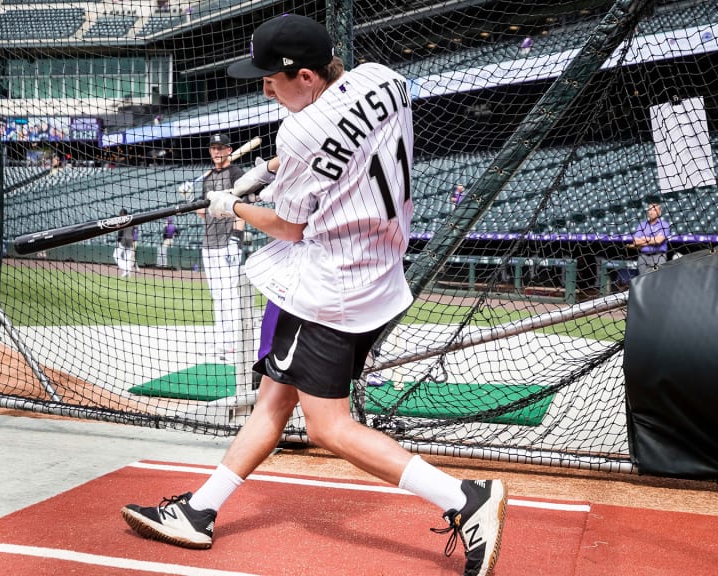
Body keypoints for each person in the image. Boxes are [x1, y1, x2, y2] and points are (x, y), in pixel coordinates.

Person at [121, 14, 507, 576]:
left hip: (329, 289)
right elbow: (345, 142)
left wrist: (232, 205)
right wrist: (272, 168)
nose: (265, 88)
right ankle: (200, 510)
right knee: (275, 397)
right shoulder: (384, 79)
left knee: (327, 427)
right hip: (380, 274)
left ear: (304, 76)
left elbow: (288, 226)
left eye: (271, 80)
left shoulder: (299, 131)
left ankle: (464, 500)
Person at [197, 133, 246, 360]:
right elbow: (203, 213)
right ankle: (222, 342)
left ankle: (235, 345)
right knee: (217, 296)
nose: (217, 152)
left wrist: (237, 237)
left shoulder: (236, 174)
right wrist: (191, 200)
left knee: (230, 296)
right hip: (209, 244)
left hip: (228, 243)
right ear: (210, 151)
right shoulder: (207, 179)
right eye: (213, 148)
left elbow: (242, 207)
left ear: (229, 150)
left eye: (221, 148)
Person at [627, 202, 670, 275]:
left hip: (658, 257)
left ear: (659, 212)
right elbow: (636, 242)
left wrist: (644, 239)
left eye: (654, 210)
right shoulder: (642, 225)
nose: (651, 212)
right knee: (642, 280)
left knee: (657, 280)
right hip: (643, 257)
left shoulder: (664, 225)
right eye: (650, 210)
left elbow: (658, 241)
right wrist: (652, 239)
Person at [113, 209, 136, 278]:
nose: (120, 215)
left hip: (123, 241)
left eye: (121, 214)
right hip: (130, 241)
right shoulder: (131, 220)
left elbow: (120, 231)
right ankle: (127, 272)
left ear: (123, 214)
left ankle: (127, 269)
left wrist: (118, 240)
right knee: (127, 258)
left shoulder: (123, 220)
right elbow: (134, 231)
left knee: (115, 256)